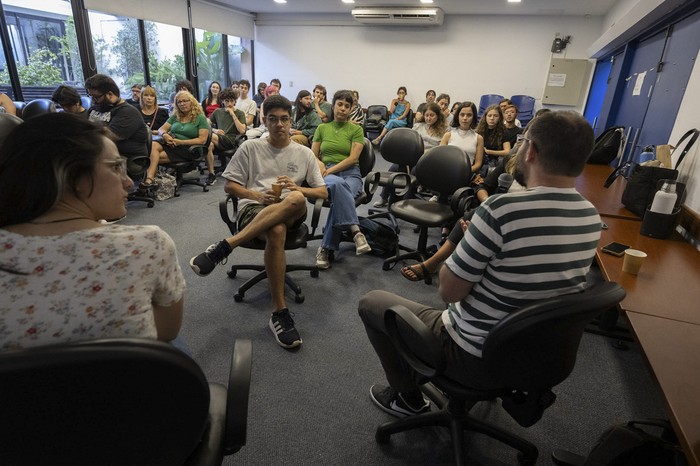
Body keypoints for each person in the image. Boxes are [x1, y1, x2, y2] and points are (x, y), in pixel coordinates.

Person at [359, 110, 601, 416]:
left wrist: (472, 245)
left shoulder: (501, 210)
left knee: (371, 303)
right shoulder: (590, 216)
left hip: (472, 356)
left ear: (532, 151)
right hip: (537, 358)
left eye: (522, 142)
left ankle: (406, 396)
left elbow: (448, 292)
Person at [0, 113, 185, 352]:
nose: (128, 181)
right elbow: (167, 331)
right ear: (75, 175)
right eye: (116, 167)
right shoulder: (148, 245)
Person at [189, 95, 327, 349]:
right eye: (272, 119)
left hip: (292, 210)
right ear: (264, 120)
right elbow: (230, 186)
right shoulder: (250, 148)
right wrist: (256, 195)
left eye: (284, 119)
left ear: (291, 120)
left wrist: (298, 188)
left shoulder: (304, 153)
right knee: (275, 229)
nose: (279, 125)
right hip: (254, 208)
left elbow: (322, 193)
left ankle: (227, 245)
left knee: (296, 197)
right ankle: (280, 313)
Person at [312, 89, 372, 269]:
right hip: (327, 172)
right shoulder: (322, 128)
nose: (343, 108)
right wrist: (323, 167)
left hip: (351, 173)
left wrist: (331, 171)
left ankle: (324, 248)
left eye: (348, 106)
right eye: (340, 104)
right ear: (333, 105)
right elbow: (313, 155)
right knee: (339, 188)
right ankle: (356, 231)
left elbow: (353, 159)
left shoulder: (356, 129)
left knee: (339, 193)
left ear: (351, 108)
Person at [373, 102, 448, 208]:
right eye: (426, 115)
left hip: (429, 160)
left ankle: (406, 200)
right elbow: (409, 144)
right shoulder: (418, 126)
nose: (429, 118)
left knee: (414, 172)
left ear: (437, 116)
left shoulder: (444, 131)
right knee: (394, 168)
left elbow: (441, 149)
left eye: (432, 115)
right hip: (413, 157)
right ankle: (384, 197)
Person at [144, 90, 214, 187]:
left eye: (185, 101)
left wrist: (180, 142)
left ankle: (149, 182)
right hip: (172, 143)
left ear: (191, 102)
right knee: (154, 145)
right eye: (179, 102)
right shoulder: (175, 116)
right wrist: (165, 135)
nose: (182, 104)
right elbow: (161, 129)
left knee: (152, 157)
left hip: (189, 148)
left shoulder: (200, 118)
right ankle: (150, 180)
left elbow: (202, 140)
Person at [85, 74, 149, 162]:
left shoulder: (127, 112)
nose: (93, 100)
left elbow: (107, 138)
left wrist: (85, 132)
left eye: (96, 97)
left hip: (127, 158)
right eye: (91, 96)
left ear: (110, 94)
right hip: (102, 155)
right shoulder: (95, 108)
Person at [440, 101, 484, 175]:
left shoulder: (478, 138)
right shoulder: (448, 135)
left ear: (473, 117)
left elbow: (478, 164)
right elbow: (440, 157)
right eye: (462, 114)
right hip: (446, 171)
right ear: (457, 116)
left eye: (469, 115)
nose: (465, 118)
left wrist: (463, 172)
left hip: (466, 173)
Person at [208, 88, 247, 158]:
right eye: (227, 101)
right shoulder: (218, 111)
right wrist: (214, 130)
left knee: (207, 135)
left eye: (232, 101)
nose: (229, 104)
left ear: (235, 101)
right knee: (209, 145)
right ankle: (211, 169)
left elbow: (242, 131)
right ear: (222, 101)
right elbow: (206, 124)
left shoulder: (240, 113)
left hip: (232, 140)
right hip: (219, 137)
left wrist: (233, 114)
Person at [476, 104, 511, 176]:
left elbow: (507, 151)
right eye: (489, 116)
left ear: (499, 118)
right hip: (478, 159)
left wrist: (489, 151)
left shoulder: (503, 132)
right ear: (485, 117)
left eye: (495, 116)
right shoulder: (479, 130)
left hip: (494, 161)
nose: (492, 118)